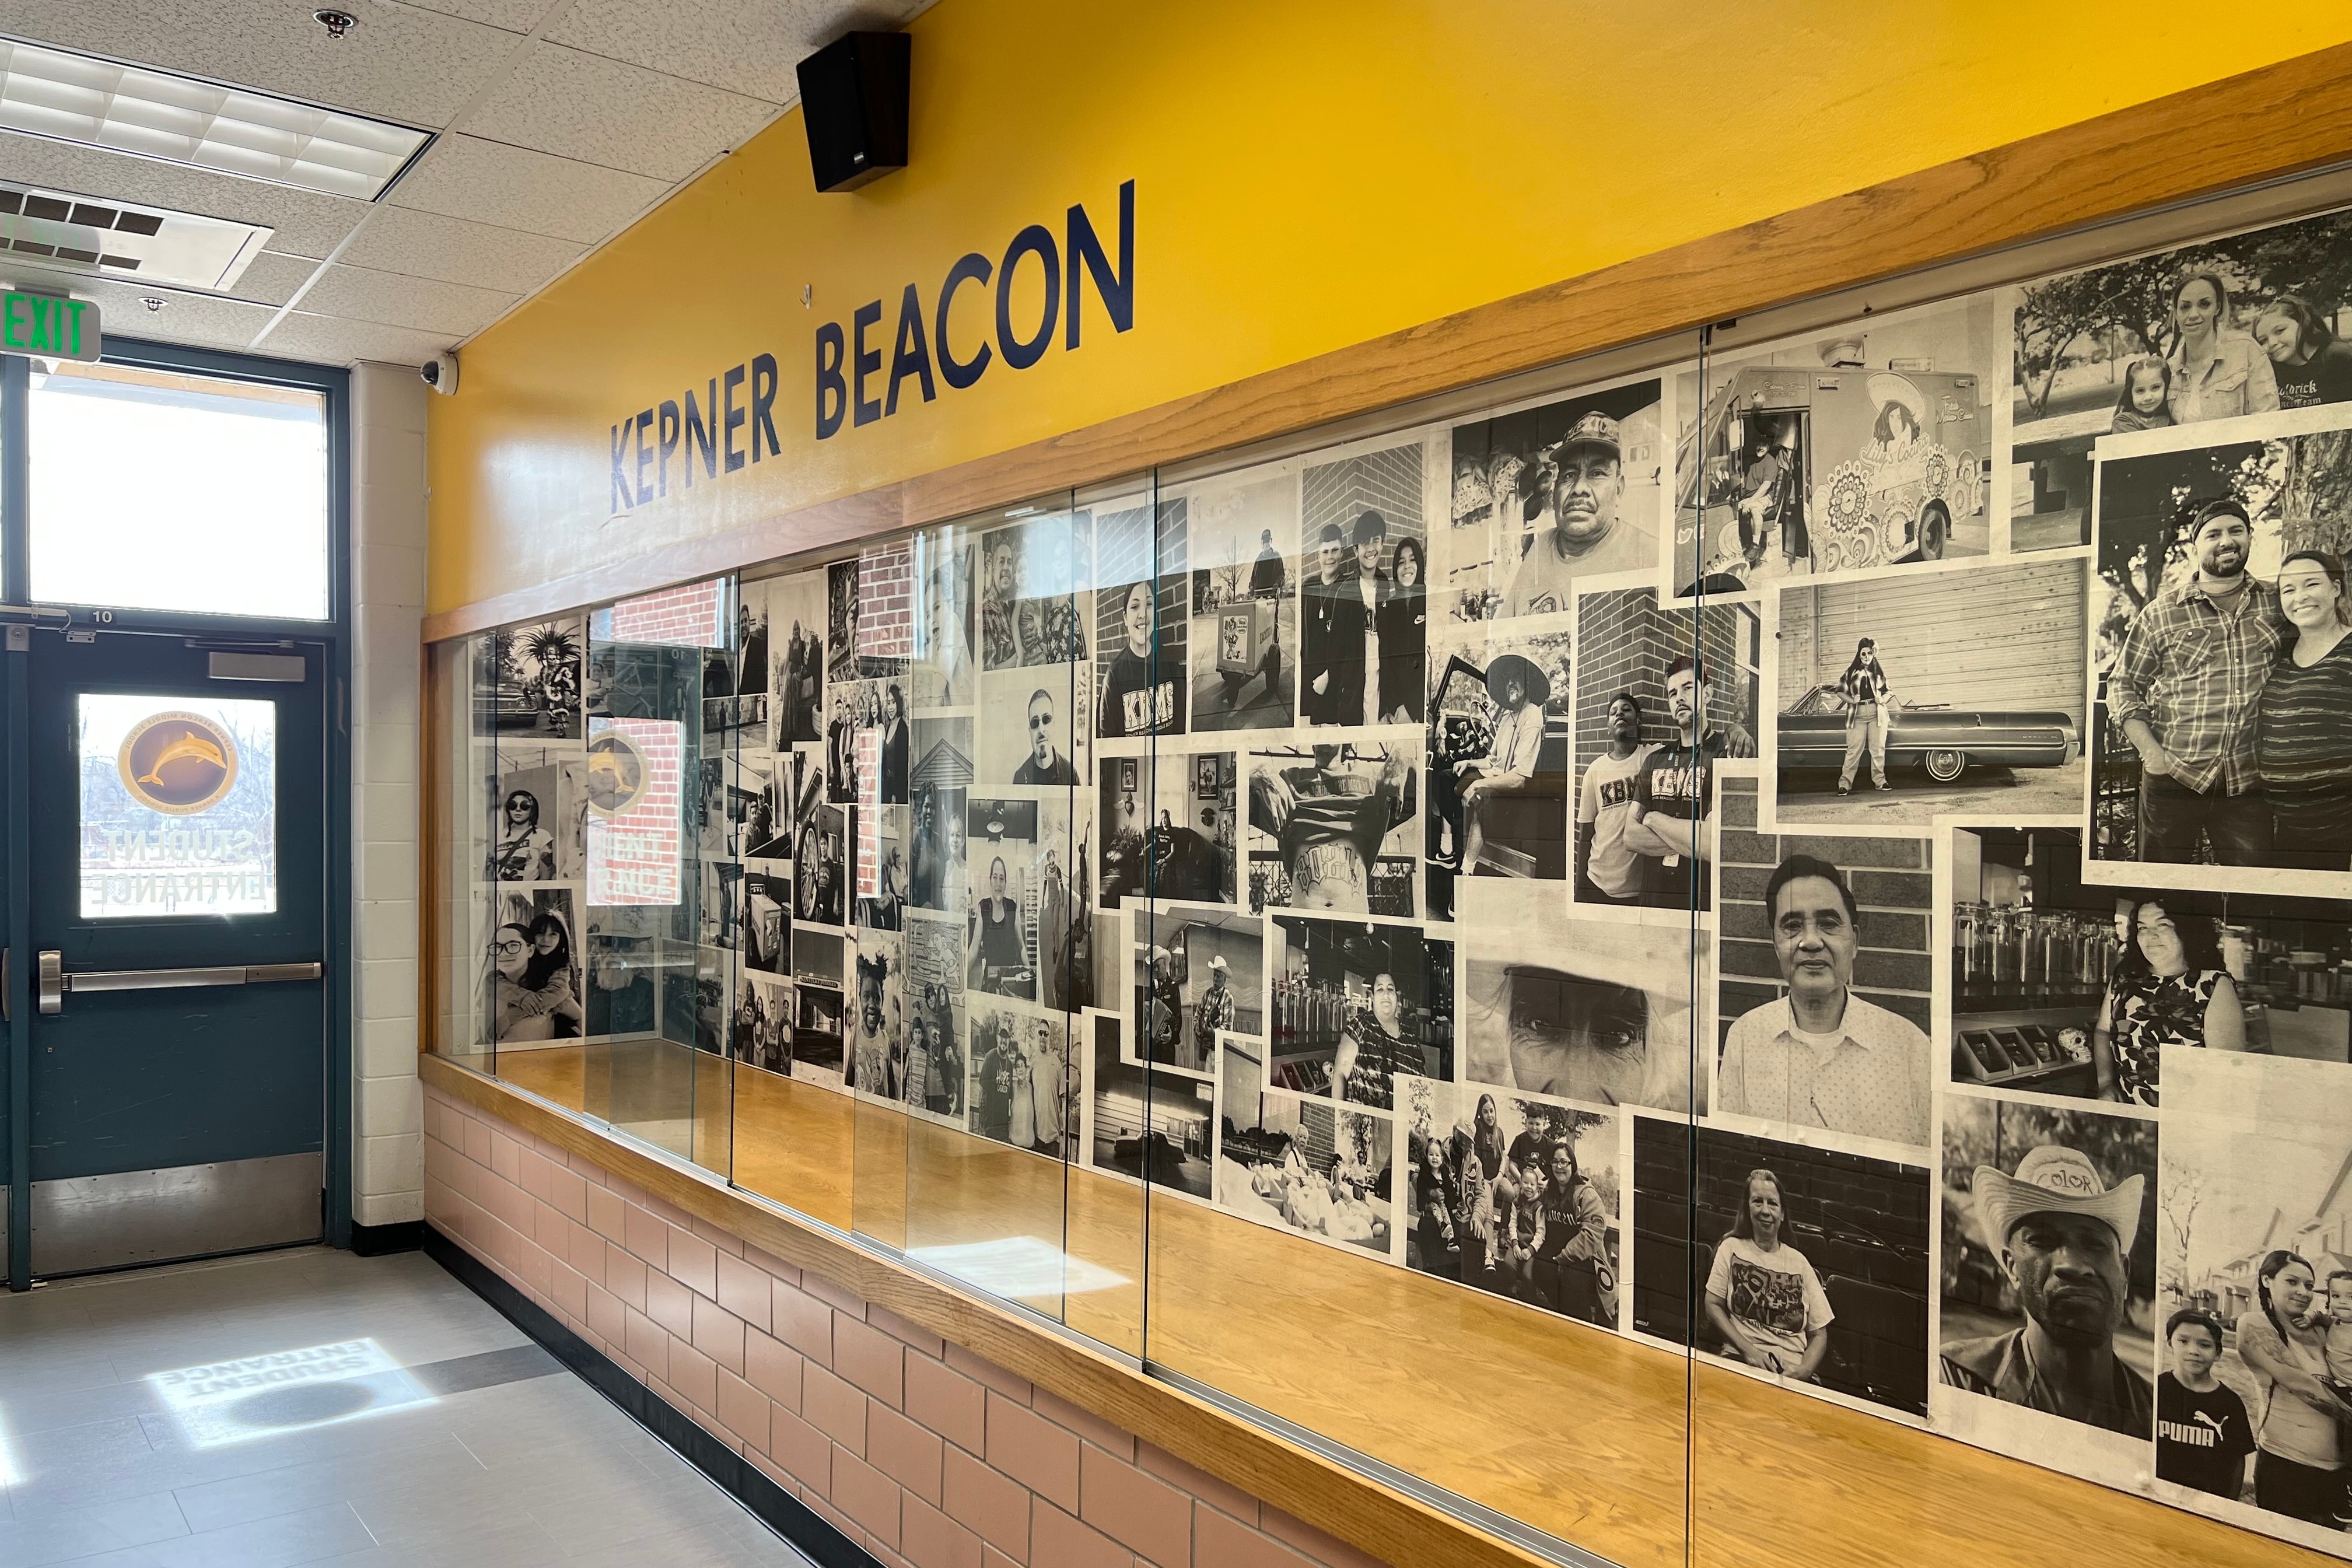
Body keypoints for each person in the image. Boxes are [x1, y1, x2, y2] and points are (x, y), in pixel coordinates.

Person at [2110, 498, 2288, 864]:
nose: (2227, 541)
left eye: (2236, 530)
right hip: (2174, 774)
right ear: (2196, 548)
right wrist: (2152, 755)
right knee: (2159, 894)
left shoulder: (2278, 602)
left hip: (2247, 781)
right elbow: (2123, 684)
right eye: (2214, 534)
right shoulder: (2162, 613)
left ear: (2250, 537)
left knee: (2250, 897)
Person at [1717, 855, 1931, 1149]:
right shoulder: (1744, 1036)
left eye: (1828, 924)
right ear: (1776, 945)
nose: (1811, 941)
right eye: (1792, 926)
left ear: (1854, 942)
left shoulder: (1910, 1046)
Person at [1941, 1144, 2152, 1436]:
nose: (2072, 1265)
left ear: (2124, 1274)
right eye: (2041, 1240)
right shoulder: (1958, 1377)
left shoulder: (2156, 1417)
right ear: (2011, 1266)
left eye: (2094, 1244)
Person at [1625, 653, 1755, 909]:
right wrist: (1690, 839)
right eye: (1672, 694)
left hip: (1701, 903)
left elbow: (1714, 844)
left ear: (1707, 694)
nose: (1679, 698)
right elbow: (1630, 837)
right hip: (1654, 901)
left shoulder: (1725, 753)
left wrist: (1653, 819)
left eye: (1688, 689)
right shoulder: (1654, 760)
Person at [2235, 1251, 2352, 1524]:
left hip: (2336, 1474)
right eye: (2292, 1282)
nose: (2303, 1292)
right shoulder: (2255, 1325)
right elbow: (2305, 1386)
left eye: (2309, 1286)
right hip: (2287, 1466)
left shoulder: (2323, 1331)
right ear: (2267, 1280)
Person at [2092, 898, 2244, 1105]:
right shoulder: (2125, 978)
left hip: (2186, 1119)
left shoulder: (2213, 985)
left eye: (2162, 925)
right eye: (2142, 928)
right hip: (2129, 1114)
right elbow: (2103, 1032)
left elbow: (2227, 1073)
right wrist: (2106, 1084)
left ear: (2187, 931)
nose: (2150, 936)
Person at [1502, 414, 1651, 617]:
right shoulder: (1540, 547)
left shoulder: (1647, 555)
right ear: (1555, 490)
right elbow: (1505, 636)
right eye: (1570, 475)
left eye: (1597, 473)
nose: (1579, 488)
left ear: (1618, 489)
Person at [2258, 548, 2352, 865]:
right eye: (2289, 589)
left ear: (2336, 589)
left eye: (2312, 584)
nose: (2300, 597)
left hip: (2343, 832)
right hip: (2286, 831)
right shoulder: (2278, 654)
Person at [1249, 744, 1415, 914]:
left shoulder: (1372, 778)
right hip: (1304, 922)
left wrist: (1402, 756)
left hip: (1354, 923)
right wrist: (1260, 771)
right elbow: (1237, 798)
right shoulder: (1288, 780)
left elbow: (1430, 789)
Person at [1705, 1169, 1832, 1381]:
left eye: (1772, 1203)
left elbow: (1819, 1333)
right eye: (1757, 1201)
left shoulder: (1799, 1262)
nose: (1765, 1210)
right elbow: (1712, 1304)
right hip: (1741, 1360)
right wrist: (1748, 1350)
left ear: (1782, 1214)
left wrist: (1805, 1370)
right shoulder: (1731, 1248)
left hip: (1792, 1369)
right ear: (1747, 1208)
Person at [1438, 652, 1548, 877]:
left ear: (1527, 682)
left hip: (1514, 791)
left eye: (1515, 678)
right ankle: (1449, 845)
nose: (1510, 684)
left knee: (1481, 798)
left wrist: (1477, 786)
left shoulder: (1533, 715)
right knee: (1445, 777)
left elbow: (1519, 779)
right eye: (1507, 680)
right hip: (1495, 776)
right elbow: (1493, 760)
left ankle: (1466, 873)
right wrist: (1467, 761)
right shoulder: (1507, 718)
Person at [2157, 1307, 2257, 1500]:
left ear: (2218, 1353)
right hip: (2162, 1496)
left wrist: (2229, 1501)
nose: (2193, 1351)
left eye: (2204, 1345)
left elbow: (2237, 1461)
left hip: (2209, 1501)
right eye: (2183, 1341)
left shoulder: (2230, 1403)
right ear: (2170, 1343)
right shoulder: (2157, 1389)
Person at [2167, 270, 2280, 424]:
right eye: (2185, 307)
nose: (2193, 314)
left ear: (2218, 308)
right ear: (2176, 313)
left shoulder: (2246, 350)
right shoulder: (2168, 370)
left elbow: (2268, 420)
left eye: (2204, 304)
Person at [1576, 693, 1656, 905]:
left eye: (1626, 709)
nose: (1619, 713)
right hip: (1597, 881)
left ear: (1638, 721)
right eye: (1613, 712)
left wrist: (1733, 731)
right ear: (1608, 728)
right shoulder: (1595, 770)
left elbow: (1690, 745)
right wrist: (1579, 887)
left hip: (1638, 890)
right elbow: (1586, 833)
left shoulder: (1652, 757)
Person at [1532, 1138, 1614, 1325]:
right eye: (1555, 1162)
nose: (1559, 1167)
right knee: (1540, 1268)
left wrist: (1564, 1257)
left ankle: (1581, 1325)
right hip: (1555, 1252)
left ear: (1573, 1165)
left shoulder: (1586, 1194)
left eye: (1564, 1162)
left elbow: (1592, 1234)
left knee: (1572, 1283)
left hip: (1583, 1258)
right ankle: (1558, 1317)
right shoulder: (1550, 1191)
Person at [1300, 521, 1367, 725]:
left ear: (1343, 552)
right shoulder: (1309, 587)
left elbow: (1353, 645)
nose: (1330, 557)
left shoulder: (1349, 588)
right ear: (1318, 555)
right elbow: (1305, 638)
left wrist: (1329, 676)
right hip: (1309, 683)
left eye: (1335, 551)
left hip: (1334, 685)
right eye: (1325, 552)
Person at [1332, 970, 1418, 1110]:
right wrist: (1339, 1119)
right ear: (1372, 997)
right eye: (1380, 989)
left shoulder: (1410, 1037)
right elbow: (1340, 1075)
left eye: (1390, 989)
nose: (1386, 994)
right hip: (1363, 1124)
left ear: (1397, 996)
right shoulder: (1360, 1025)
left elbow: (1420, 1086)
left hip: (1399, 1125)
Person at [1100, 580, 1172, 737]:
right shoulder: (1114, 675)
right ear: (1125, 618)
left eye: (1149, 604)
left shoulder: (1169, 661)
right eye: (1135, 607)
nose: (1143, 614)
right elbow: (1108, 741)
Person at [2255, 295, 2352, 410]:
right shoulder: (2267, 370)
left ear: (2303, 323)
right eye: (2263, 340)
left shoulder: (2339, 357)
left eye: (2279, 331)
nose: (2272, 343)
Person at [1835, 638, 1894, 794]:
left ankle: (1880, 782)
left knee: (1878, 750)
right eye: (1863, 654)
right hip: (1857, 715)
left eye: (1870, 653)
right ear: (1859, 655)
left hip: (1877, 714)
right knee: (1854, 750)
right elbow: (1840, 691)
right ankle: (1845, 784)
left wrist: (1882, 699)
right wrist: (1851, 700)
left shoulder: (1879, 673)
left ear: (1874, 654)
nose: (1867, 656)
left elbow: (1889, 692)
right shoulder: (1851, 672)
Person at [1376, 536, 1426, 723]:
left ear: (1420, 564)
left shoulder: (1430, 603)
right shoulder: (1388, 607)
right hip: (1394, 711)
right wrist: (1390, 707)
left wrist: (1412, 708)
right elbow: (1386, 661)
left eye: (1412, 560)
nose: (1407, 567)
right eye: (1401, 562)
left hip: (1418, 709)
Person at [970, 856, 1026, 989]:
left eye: (1002, 878)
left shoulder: (1012, 907)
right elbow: (973, 949)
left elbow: (1022, 947)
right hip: (990, 980)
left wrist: (1031, 973)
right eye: (995, 877)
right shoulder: (983, 907)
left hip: (1010, 980)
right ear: (990, 881)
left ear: (1005, 883)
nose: (998, 883)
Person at [1012, 688, 1079, 785]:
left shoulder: (1071, 774)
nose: (1041, 729)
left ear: (1054, 725)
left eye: (1046, 719)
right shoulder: (1020, 777)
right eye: (1035, 723)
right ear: (1030, 732)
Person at [493, 789, 555, 880]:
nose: (518, 809)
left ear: (532, 810)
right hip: (501, 892)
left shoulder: (542, 835)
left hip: (528, 893)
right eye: (513, 805)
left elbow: (546, 874)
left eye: (524, 806)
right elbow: (489, 872)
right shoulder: (497, 835)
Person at [1189, 953, 1236, 1073]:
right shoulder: (1207, 993)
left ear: (1225, 979)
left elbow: (1227, 1026)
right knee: (1207, 1079)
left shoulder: (1228, 998)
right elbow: (1198, 1012)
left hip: (1220, 1050)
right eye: (1214, 975)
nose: (1215, 979)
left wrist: (1213, 1032)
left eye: (1219, 976)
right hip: (1207, 1048)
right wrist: (1196, 1026)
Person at [2112, 357, 2176, 433]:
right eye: (2140, 391)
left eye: (2155, 387)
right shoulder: (2124, 422)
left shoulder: (2173, 415)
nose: (2148, 397)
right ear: (2130, 393)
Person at [880, 683, 909, 803]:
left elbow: (903, 767)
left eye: (893, 702)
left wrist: (895, 796)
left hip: (897, 792)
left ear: (898, 703)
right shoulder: (888, 727)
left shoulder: (902, 728)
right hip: (887, 788)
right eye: (888, 703)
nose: (890, 707)